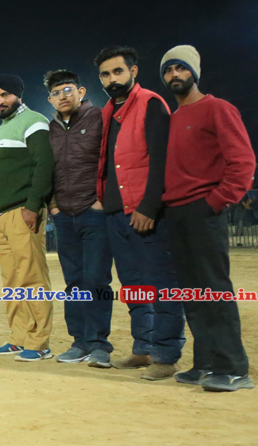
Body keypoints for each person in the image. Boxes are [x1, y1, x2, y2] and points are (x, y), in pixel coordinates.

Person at [160, 45, 255, 392]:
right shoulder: (172, 119)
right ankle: (205, 363)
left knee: (215, 289)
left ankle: (233, 368)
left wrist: (215, 202)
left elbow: (243, 162)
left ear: (194, 72)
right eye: (168, 70)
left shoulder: (218, 108)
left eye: (180, 68)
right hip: (176, 213)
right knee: (192, 291)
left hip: (203, 211)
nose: (174, 74)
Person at [94, 45, 184, 380]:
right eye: (105, 74)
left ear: (133, 71)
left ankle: (166, 356)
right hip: (115, 213)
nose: (112, 79)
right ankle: (143, 349)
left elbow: (162, 160)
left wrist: (149, 206)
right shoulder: (108, 111)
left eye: (118, 71)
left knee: (161, 284)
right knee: (133, 285)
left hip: (144, 212)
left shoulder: (150, 104)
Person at [0, 74, 55, 361]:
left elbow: (44, 164)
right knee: (11, 280)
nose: (0, 101)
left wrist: (33, 205)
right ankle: (19, 337)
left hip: (22, 211)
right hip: (0, 215)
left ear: (18, 95)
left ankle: (39, 342)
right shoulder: (1, 130)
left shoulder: (33, 120)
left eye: (5, 95)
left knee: (32, 277)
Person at [45, 69, 113, 368]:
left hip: (93, 212)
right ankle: (79, 342)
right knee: (73, 282)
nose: (62, 96)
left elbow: (110, 159)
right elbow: (48, 169)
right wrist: (53, 206)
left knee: (96, 279)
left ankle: (99, 344)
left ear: (81, 91)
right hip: (64, 216)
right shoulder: (51, 129)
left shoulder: (99, 118)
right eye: (56, 92)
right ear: (50, 99)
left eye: (67, 89)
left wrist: (101, 201)